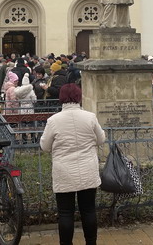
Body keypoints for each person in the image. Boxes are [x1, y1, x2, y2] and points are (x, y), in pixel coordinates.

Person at [40, 84, 105, 245]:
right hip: (87, 168)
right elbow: (101, 139)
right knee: (88, 210)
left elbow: (45, 146)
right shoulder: (90, 117)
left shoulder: (54, 120)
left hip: (64, 171)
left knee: (65, 213)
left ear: (61, 98)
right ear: (79, 97)